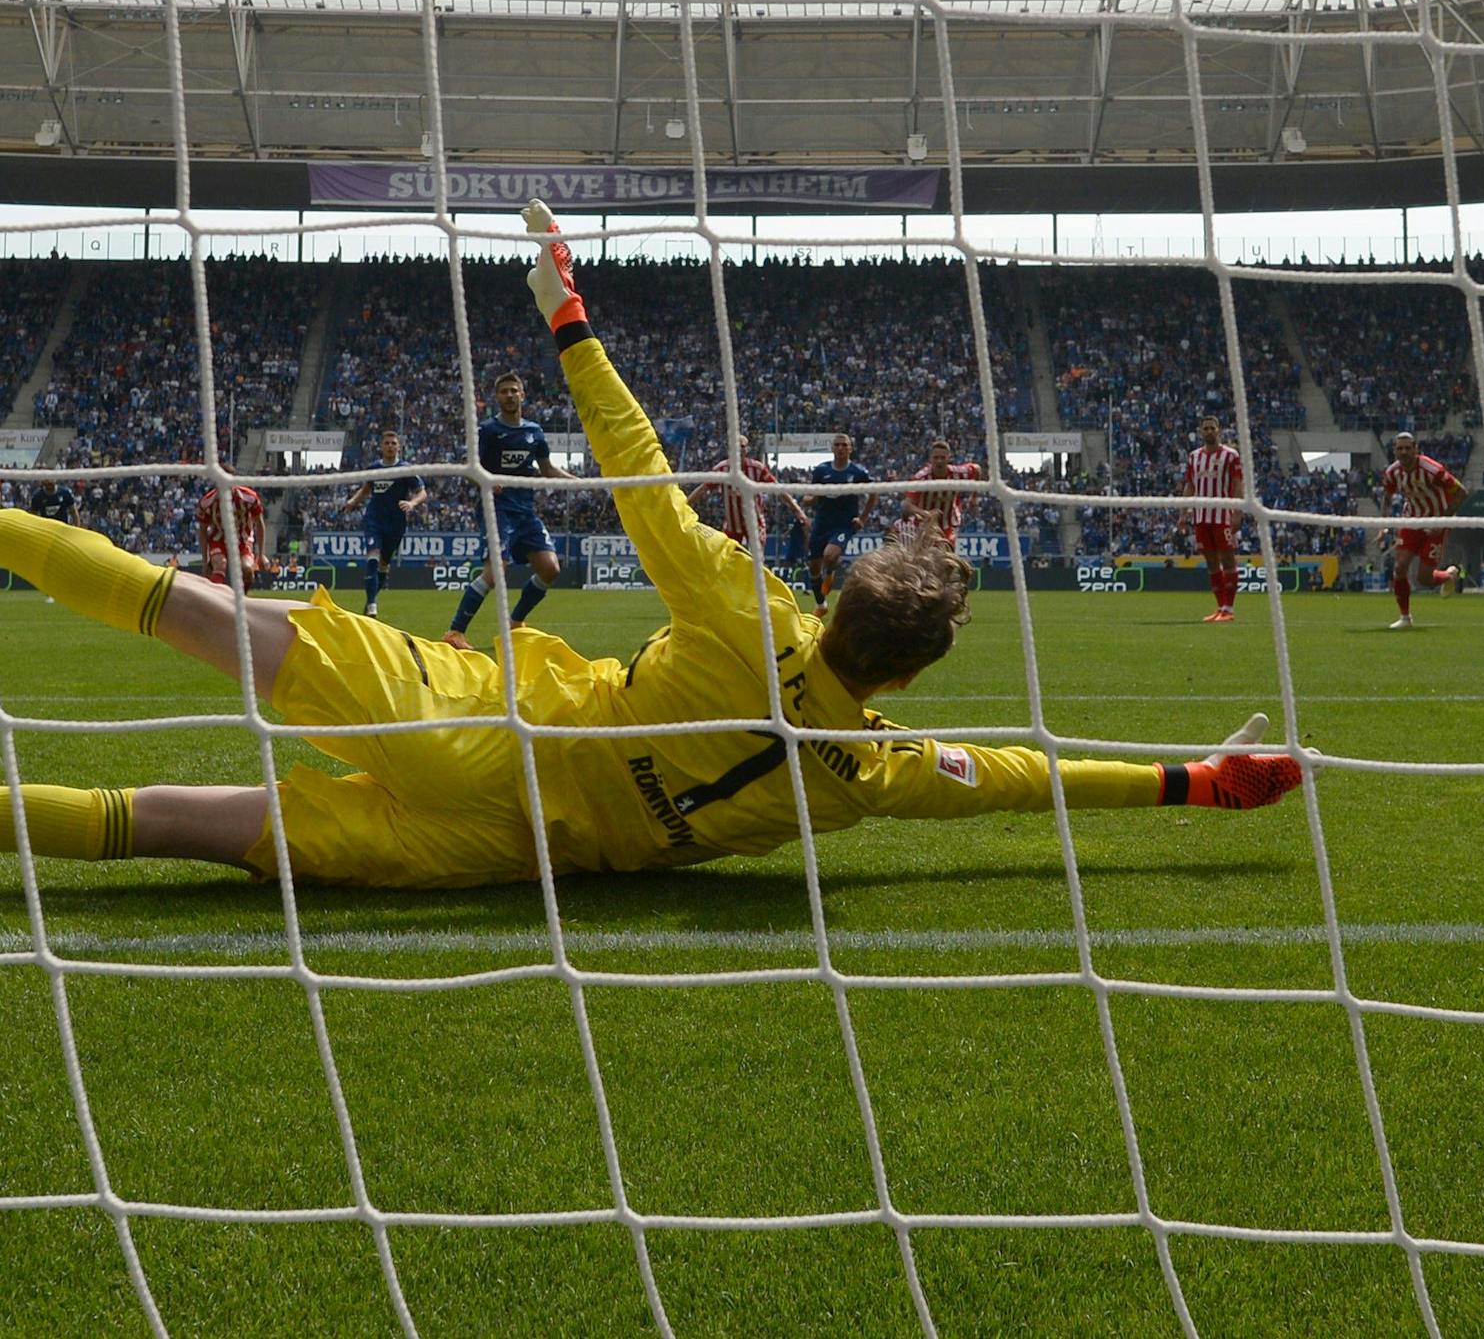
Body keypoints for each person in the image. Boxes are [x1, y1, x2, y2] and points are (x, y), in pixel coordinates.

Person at [0, 204, 1302, 888]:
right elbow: (1023, 778)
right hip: (519, 856)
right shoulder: (875, 769)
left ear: (843, 594)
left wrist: (572, 321)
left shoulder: (751, 609)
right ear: (904, 677)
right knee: (177, 826)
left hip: (503, 724)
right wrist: (1191, 781)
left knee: (201, 613)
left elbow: (640, 482)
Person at [444, 372, 578, 649]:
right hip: (497, 510)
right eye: (504, 391)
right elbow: (468, 469)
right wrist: (485, 480)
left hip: (525, 513)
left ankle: (516, 621)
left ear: (522, 395)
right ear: (497, 397)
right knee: (497, 570)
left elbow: (549, 470)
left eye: (513, 391)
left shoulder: (534, 432)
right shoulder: (488, 431)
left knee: (550, 568)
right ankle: (455, 632)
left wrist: (581, 483)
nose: (509, 395)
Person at [1378, 430, 1465, 630]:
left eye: (1408, 448)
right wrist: (1382, 525)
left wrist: (1441, 521)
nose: (1404, 452)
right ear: (1394, 451)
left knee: (1424, 578)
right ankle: (1405, 617)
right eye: (1400, 449)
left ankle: (1449, 575)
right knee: (1399, 568)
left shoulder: (1432, 469)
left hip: (1436, 521)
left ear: (1416, 449)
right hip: (1411, 521)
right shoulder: (1393, 473)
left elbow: (1461, 492)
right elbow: (1387, 498)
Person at [340, 428, 427, 620]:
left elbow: (423, 492)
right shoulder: (374, 469)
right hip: (374, 519)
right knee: (373, 557)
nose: (390, 446)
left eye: (393, 443)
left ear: (399, 447)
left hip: (396, 523)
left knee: (384, 565)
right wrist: (353, 502)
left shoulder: (406, 469)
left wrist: (412, 503)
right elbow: (366, 489)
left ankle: (370, 600)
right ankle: (372, 604)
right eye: (386, 443)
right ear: (381, 446)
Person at [685, 435, 811, 562]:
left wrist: (797, 510)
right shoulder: (721, 469)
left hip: (755, 523)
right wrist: (685, 505)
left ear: (747, 449)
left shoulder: (757, 468)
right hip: (732, 526)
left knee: (757, 559)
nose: (739, 450)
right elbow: (703, 488)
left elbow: (778, 489)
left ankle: (757, 578)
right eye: (735, 447)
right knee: (729, 560)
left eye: (742, 446)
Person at [1184, 416, 1244, 623]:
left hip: (1222, 516)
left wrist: (1237, 512)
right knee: (1211, 562)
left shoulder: (1231, 455)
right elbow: (1190, 485)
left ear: (1219, 431)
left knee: (1227, 559)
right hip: (1201, 516)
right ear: (1201, 432)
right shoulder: (1194, 457)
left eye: (1212, 428)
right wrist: (1183, 512)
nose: (1209, 431)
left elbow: (1237, 484)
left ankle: (1229, 608)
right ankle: (1220, 607)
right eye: (1205, 428)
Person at [807, 431, 872, 617]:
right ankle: (821, 605)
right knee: (813, 567)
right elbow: (812, 495)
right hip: (822, 522)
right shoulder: (821, 470)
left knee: (830, 555)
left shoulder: (858, 472)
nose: (841, 448)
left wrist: (863, 518)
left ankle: (831, 572)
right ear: (832, 448)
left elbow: (874, 493)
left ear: (851, 448)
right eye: (837, 445)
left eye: (844, 445)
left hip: (844, 524)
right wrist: (809, 500)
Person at [898, 438, 982, 548]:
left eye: (942, 458)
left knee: (946, 557)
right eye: (936, 457)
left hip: (948, 524)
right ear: (930, 459)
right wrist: (925, 513)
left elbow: (977, 469)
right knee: (924, 558)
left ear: (948, 458)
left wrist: (974, 497)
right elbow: (907, 505)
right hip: (924, 525)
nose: (939, 461)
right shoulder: (921, 478)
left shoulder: (957, 473)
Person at [196, 482, 266, 591]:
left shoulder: (249, 497)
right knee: (220, 564)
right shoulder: (207, 502)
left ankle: (241, 600)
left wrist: (261, 554)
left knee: (246, 569)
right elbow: (202, 530)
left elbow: (259, 523)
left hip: (243, 539)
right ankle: (217, 601)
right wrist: (205, 561)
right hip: (218, 539)